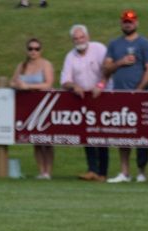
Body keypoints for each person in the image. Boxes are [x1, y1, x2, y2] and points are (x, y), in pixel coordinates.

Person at [103, 10, 148, 184]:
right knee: (123, 134)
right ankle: (124, 171)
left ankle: (141, 171)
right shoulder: (114, 44)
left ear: (136, 23)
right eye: (125, 21)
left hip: (139, 95)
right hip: (119, 94)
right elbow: (106, 68)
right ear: (121, 23)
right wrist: (121, 62)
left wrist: (139, 89)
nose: (128, 24)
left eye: (131, 21)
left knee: (142, 134)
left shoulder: (144, 44)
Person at [60, 24, 108, 182]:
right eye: (76, 38)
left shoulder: (99, 49)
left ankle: (102, 172)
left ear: (87, 37)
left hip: (103, 97)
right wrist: (74, 86)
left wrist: (100, 85)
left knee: (103, 135)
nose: (79, 40)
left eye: (81, 37)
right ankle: (92, 170)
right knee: (87, 135)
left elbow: (108, 71)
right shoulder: (70, 56)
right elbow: (65, 80)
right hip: (84, 101)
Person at [11, 38, 55, 180]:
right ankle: (41, 171)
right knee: (35, 141)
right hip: (28, 108)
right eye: (30, 48)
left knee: (47, 141)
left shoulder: (45, 64)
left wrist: (28, 87)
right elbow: (13, 81)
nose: (33, 51)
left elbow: (48, 84)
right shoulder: (22, 66)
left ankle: (48, 171)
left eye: (36, 49)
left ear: (41, 50)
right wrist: (17, 85)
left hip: (44, 106)